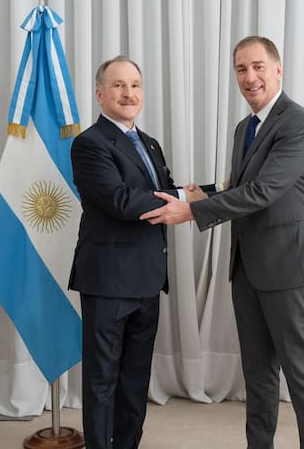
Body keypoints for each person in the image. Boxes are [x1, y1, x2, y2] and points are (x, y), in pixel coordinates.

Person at [140, 36, 304, 449]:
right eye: (241, 69)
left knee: (303, 376)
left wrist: (190, 212)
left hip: (291, 269)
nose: (250, 77)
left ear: (278, 70)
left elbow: (264, 191)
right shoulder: (244, 128)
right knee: (258, 377)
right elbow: (241, 185)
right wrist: (203, 193)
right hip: (247, 268)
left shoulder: (298, 123)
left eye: (259, 67)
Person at [69, 56, 198, 449]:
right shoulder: (88, 144)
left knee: (135, 378)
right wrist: (184, 199)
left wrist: (210, 192)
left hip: (147, 278)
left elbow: (168, 189)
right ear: (100, 94)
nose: (129, 93)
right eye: (119, 85)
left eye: (135, 85)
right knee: (102, 379)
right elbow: (120, 200)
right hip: (107, 281)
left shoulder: (150, 143)